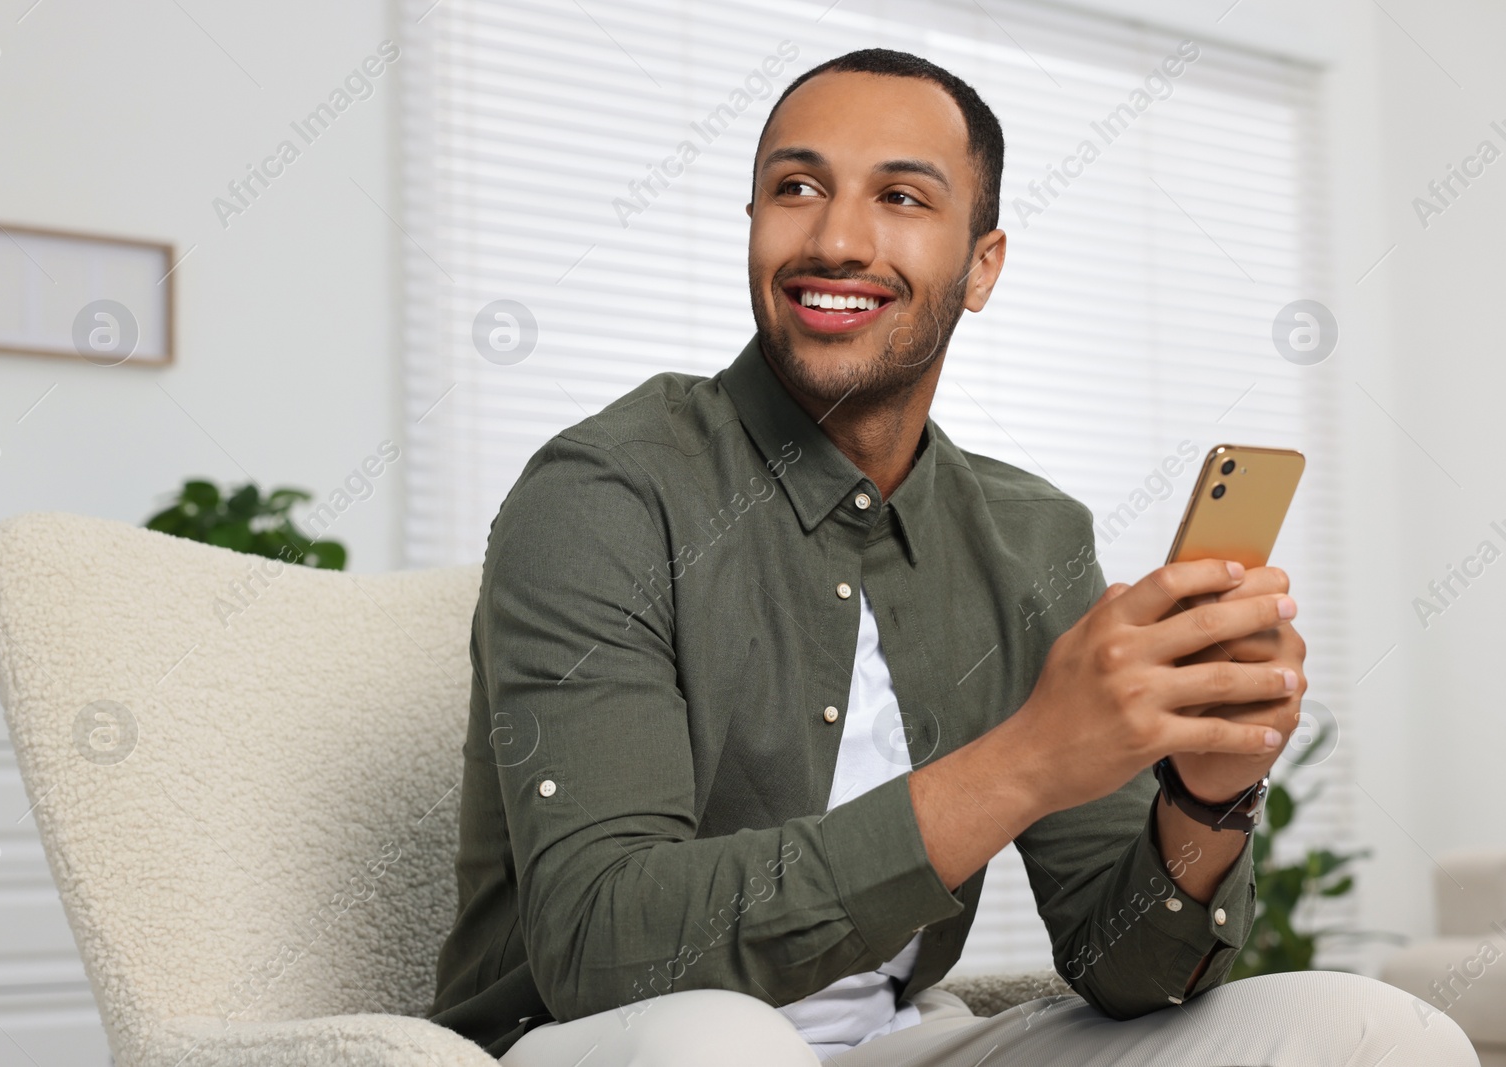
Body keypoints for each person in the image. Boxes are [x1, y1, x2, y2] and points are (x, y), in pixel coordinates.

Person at [426, 48, 1478, 1066]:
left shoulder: (1030, 535)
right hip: (612, 1040)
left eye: (901, 198)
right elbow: (601, 944)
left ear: (981, 265)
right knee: (721, 1039)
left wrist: (1203, 800)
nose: (836, 239)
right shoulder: (606, 490)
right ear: (751, 222)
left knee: (1379, 1029)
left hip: (893, 1038)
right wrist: (1026, 757)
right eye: (797, 187)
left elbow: (1126, 973)